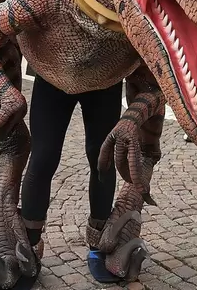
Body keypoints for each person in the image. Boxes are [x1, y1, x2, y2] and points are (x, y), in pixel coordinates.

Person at [20, 77, 124, 283]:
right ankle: (29, 246)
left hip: (106, 71)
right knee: (43, 157)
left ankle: (99, 243)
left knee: (101, 157)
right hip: (53, 69)